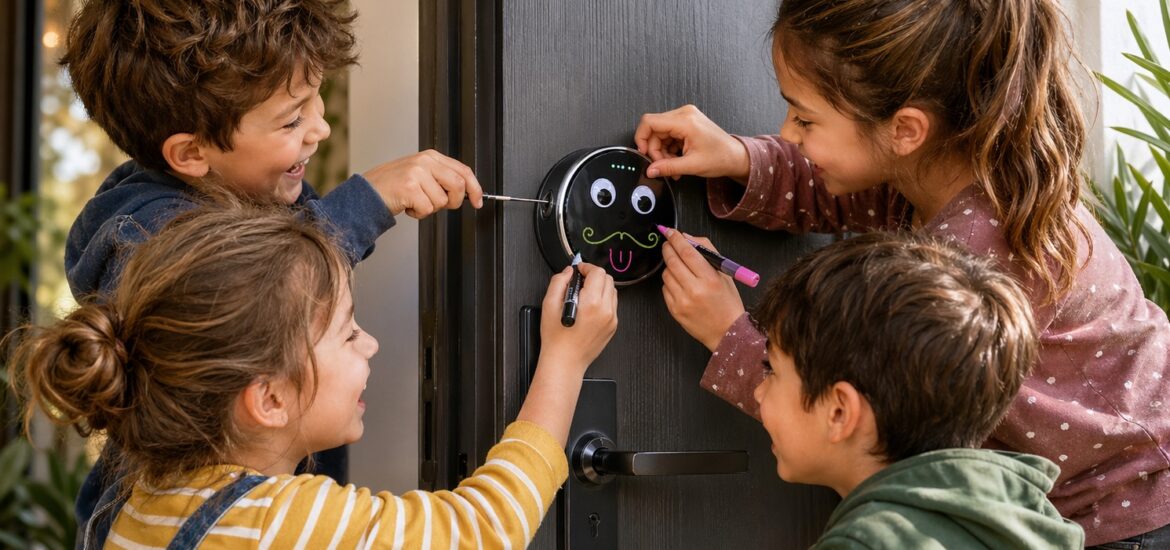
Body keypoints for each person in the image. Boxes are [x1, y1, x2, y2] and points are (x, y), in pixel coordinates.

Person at [635, 0, 1170, 546]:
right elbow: (847, 184)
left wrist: (728, 334)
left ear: (906, 129)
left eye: (805, 118)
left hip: (1124, 515)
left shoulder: (974, 256)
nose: (788, 133)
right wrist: (738, 157)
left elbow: (861, 420)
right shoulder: (944, 168)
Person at [59, 0, 484, 526]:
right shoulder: (152, 237)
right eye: (291, 119)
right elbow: (261, 289)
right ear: (191, 154)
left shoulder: (253, 186)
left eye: (315, 98)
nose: (320, 128)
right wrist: (367, 201)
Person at [7, 204, 618, 549]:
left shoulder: (141, 500)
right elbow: (480, 531)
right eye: (349, 333)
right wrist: (564, 360)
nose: (372, 343)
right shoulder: (280, 522)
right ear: (269, 398)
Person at [749, 231, 1082, 547]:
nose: (758, 393)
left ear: (840, 412)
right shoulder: (1026, 519)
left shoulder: (867, 543)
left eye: (771, 370)